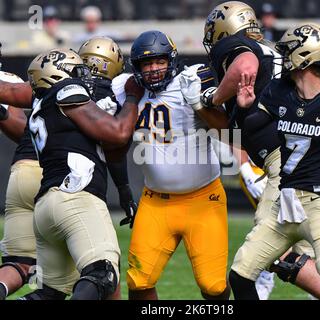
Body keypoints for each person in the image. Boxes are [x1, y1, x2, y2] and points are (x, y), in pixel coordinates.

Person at [230, 22, 320, 300]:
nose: (283, 58)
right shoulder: (279, 90)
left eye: (288, 52)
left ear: (306, 55)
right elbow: (249, 130)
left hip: (318, 203)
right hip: (283, 203)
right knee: (240, 275)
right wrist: (243, 107)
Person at [0, 48, 143, 299]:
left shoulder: (40, 104)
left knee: (50, 293)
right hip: (75, 196)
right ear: (57, 76)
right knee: (103, 274)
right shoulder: (67, 91)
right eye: (77, 71)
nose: (84, 76)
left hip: (46, 207)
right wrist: (131, 98)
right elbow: (118, 132)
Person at [112, 30, 230, 300]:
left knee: (213, 285)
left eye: (159, 62)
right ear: (136, 67)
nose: (153, 70)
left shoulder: (192, 79)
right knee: (138, 281)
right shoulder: (124, 87)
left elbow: (227, 130)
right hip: (156, 202)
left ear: (172, 61)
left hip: (203, 199)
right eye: (147, 64)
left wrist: (199, 104)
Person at [78, 36, 138, 228]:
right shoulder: (114, 96)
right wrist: (123, 189)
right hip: (86, 181)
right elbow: (115, 146)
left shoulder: (61, 88)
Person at [0, 71, 42, 300]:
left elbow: (23, 130)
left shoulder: (9, 83)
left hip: (27, 169)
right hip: (57, 177)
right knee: (98, 268)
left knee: (20, 263)